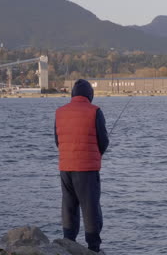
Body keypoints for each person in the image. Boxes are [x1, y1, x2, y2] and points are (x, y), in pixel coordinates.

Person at [55, 79, 109, 253]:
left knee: (69, 205)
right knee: (90, 207)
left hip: (65, 167)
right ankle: (93, 248)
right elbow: (104, 141)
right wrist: (96, 154)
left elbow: (57, 141)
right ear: (89, 95)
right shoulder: (95, 111)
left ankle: (68, 242)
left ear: (73, 94)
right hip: (87, 169)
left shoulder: (60, 112)